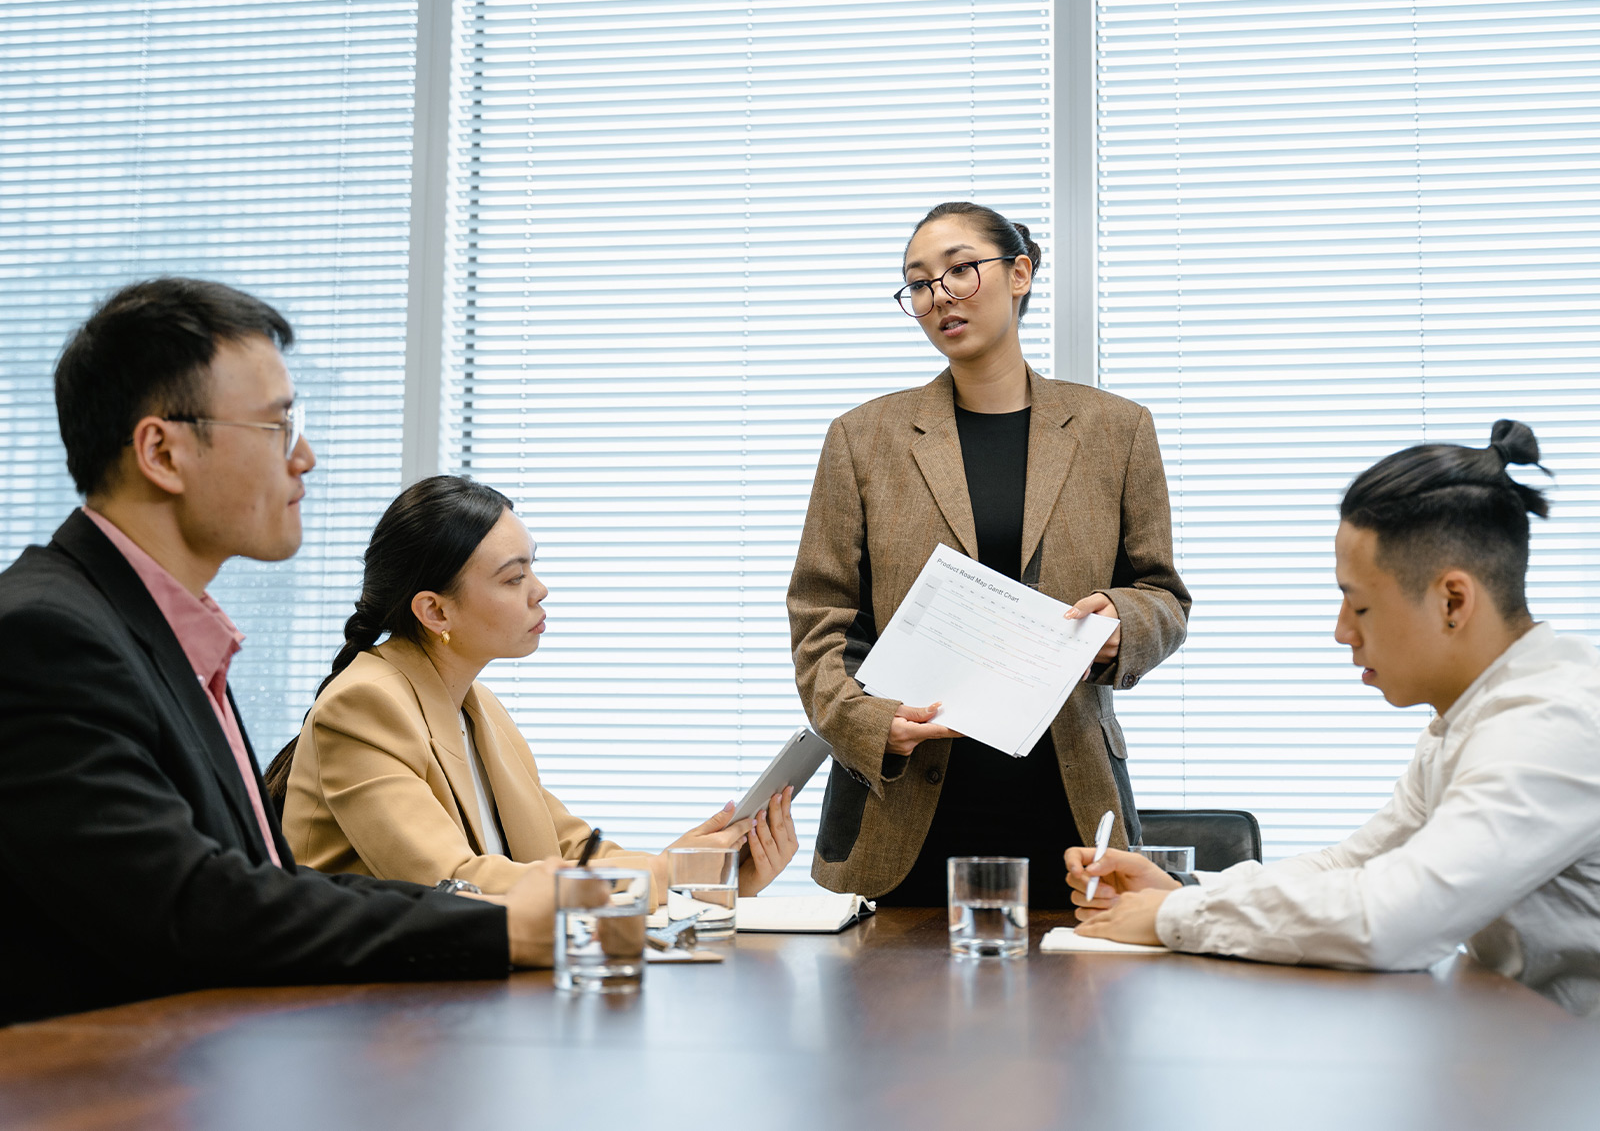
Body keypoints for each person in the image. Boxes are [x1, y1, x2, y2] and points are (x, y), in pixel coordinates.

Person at [0, 278, 556, 1027]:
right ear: (162, 451)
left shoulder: (164, 635)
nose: (306, 458)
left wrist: (514, 913)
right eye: (277, 426)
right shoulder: (48, 635)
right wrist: (500, 926)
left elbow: (268, 882)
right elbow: (196, 908)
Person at [1068, 421, 1600, 1016]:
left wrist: (1173, 916)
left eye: (1361, 605)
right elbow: (1355, 863)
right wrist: (1187, 890)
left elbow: (1392, 919)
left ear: (1454, 601)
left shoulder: (1551, 725)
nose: (1342, 632)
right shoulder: (1473, 717)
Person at [787, 202, 1191, 906]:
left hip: (1064, 794)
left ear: (1020, 274)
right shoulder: (862, 438)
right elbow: (820, 615)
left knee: (1082, 1010)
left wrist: (1121, 621)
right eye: (918, 283)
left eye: (960, 270)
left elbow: (1163, 595)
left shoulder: (1115, 430)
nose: (939, 294)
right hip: (905, 799)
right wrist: (870, 723)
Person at [271, 475, 799, 901]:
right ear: (435, 610)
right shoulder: (364, 705)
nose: (540, 590)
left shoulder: (480, 708)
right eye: (512, 577)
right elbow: (450, 881)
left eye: (533, 568)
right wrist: (666, 875)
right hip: (360, 1009)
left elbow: (570, 851)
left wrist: (701, 872)